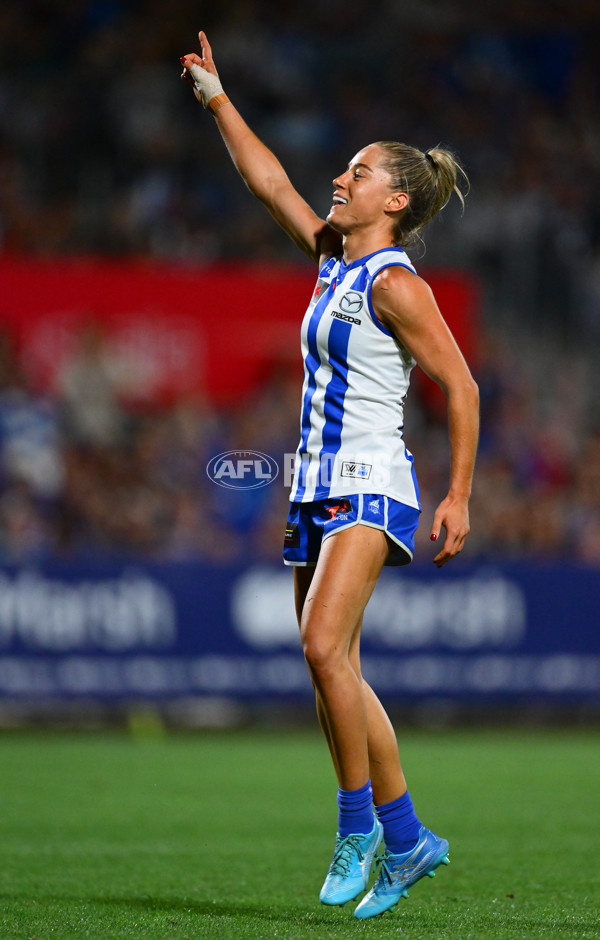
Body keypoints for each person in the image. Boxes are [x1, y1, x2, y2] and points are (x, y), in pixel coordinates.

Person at [180, 31, 479, 920]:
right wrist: (219, 101)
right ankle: (410, 837)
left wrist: (460, 492)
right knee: (334, 666)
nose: (338, 180)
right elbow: (268, 180)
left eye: (356, 172)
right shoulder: (329, 259)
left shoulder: (395, 284)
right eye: (342, 171)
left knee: (319, 647)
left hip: (370, 475)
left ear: (395, 198)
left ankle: (356, 830)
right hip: (313, 483)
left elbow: (460, 385)